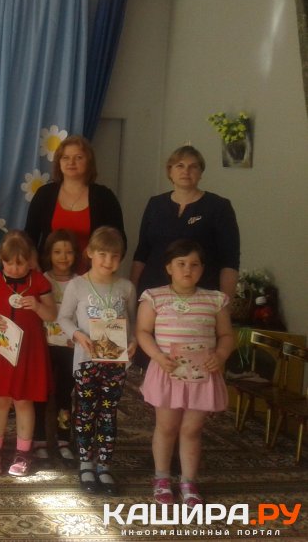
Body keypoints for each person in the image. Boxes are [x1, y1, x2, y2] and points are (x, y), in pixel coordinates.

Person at [136, 239, 235, 506]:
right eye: (181, 264)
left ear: (202, 269)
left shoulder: (215, 300)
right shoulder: (154, 297)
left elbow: (227, 335)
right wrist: (157, 356)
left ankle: (188, 482)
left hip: (201, 375)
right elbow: (142, 332)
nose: (187, 270)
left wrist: (220, 355)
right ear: (169, 267)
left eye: (194, 264)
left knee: (192, 429)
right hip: (168, 372)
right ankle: (162, 478)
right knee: (167, 427)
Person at [57, 226, 137, 496]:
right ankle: (85, 463)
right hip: (86, 361)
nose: (108, 261)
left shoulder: (126, 287)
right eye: (102, 254)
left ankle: (104, 464)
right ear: (90, 252)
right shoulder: (77, 285)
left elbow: (133, 323)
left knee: (108, 412)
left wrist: (134, 341)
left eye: (115, 256)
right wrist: (77, 334)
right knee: (85, 412)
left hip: (115, 363)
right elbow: (63, 318)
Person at [0, 231, 56, 477]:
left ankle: (23, 453)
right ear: (1, 259)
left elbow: (52, 315)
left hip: (29, 352)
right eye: (9, 263)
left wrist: (38, 306)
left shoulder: (39, 281)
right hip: (0, 353)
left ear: (30, 260)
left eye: (20, 263)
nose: (14, 268)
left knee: (23, 400)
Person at [131, 145, 240, 299]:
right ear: (170, 171)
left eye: (193, 166)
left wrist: (225, 304)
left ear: (201, 172)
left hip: (201, 296)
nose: (186, 171)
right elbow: (141, 253)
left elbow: (229, 261)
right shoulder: (155, 204)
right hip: (153, 294)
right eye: (180, 166)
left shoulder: (219, 206)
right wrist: (133, 295)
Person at [25, 135, 125, 271]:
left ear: (89, 162)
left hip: (92, 276)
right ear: (59, 162)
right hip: (49, 275)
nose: (71, 162)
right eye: (65, 157)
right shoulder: (44, 194)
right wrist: (32, 260)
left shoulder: (104, 197)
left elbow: (118, 240)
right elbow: (29, 236)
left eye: (78, 157)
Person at [33, 229, 79, 462]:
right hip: (45, 346)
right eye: (58, 252)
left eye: (68, 252)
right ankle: (39, 438)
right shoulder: (42, 279)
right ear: (49, 254)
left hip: (71, 347)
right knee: (40, 393)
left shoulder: (81, 282)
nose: (63, 257)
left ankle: (63, 439)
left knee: (64, 394)